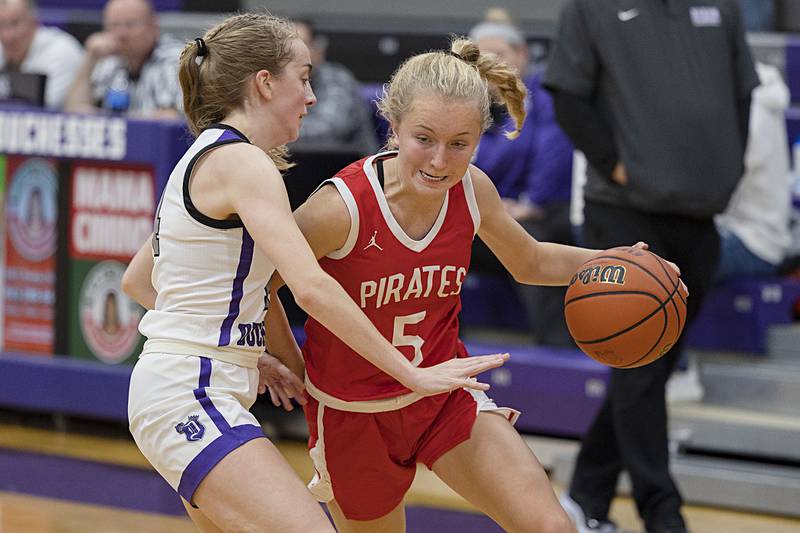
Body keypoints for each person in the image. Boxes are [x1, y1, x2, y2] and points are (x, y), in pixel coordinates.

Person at [266, 37, 673, 533]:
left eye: (460, 143)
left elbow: (530, 260)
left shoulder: (472, 188)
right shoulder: (340, 207)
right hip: (355, 413)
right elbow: (260, 283)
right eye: (425, 139)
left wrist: (618, 261)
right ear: (392, 127)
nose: (440, 160)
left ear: (479, 138)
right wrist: (288, 362)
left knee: (552, 527)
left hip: (445, 395)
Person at [120, 13, 505, 533]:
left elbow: (141, 280)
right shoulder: (244, 163)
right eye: (303, 78)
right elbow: (310, 285)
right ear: (265, 83)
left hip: (187, 384)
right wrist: (407, 371)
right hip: (189, 390)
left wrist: (249, 354)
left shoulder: (208, 155)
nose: (312, 96)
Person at [543, 1, 759, 532]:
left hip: (700, 215)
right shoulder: (590, 8)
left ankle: (586, 497)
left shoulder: (722, 8)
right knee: (640, 371)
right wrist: (616, 165)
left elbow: (743, 92)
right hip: (625, 214)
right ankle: (663, 513)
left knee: (649, 369)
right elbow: (568, 96)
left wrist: (727, 168)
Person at [468, 18, 575, 347]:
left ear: (522, 54)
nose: (488, 65)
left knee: (529, 241)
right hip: (485, 218)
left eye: (497, 54)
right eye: (477, 58)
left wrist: (531, 202)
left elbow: (555, 152)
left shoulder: (544, 94)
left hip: (540, 214)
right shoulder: (468, 106)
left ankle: (558, 356)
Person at [64, 0, 182, 117]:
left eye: (130, 25)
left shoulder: (176, 59)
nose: (121, 33)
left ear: (153, 25)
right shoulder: (108, 61)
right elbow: (73, 110)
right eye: (114, 25)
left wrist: (115, 120)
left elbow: (176, 117)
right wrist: (90, 58)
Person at [293, 19, 377, 154]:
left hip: (348, 166)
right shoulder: (281, 81)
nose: (291, 56)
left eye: (300, 46)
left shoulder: (337, 79)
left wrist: (274, 129)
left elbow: (329, 128)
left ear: (318, 49)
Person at [0, 0, 83, 108]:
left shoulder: (62, 51)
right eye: (1, 24)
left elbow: (43, 110)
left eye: (15, 23)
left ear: (34, 22)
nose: (7, 36)